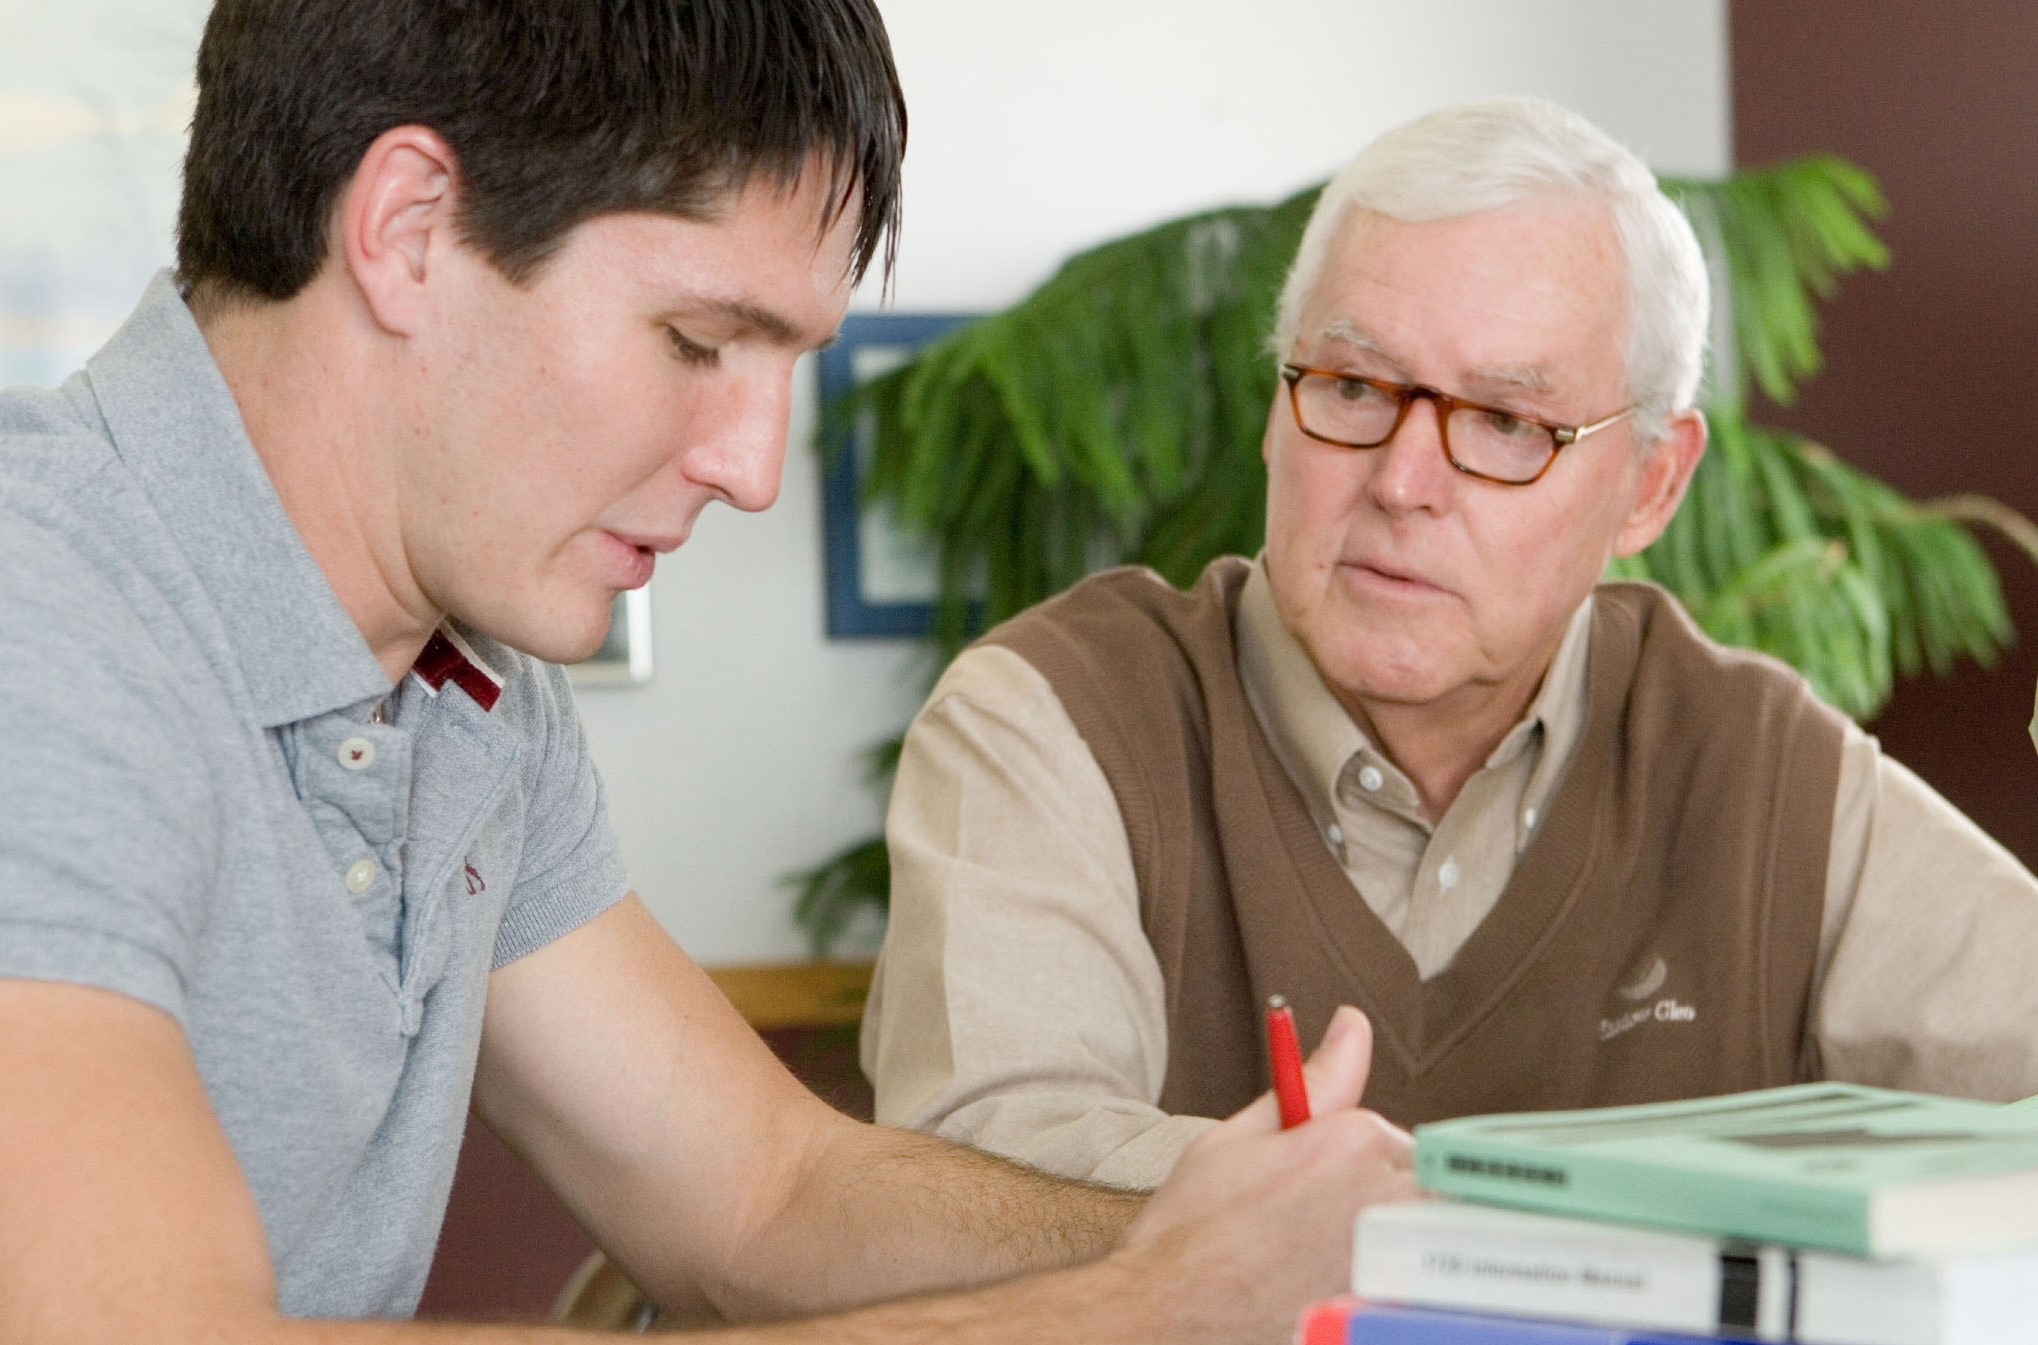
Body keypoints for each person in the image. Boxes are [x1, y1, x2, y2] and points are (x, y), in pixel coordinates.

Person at [0, 3, 1420, 1343]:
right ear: (408, 227)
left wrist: (1191, 1215)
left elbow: (756, 1189)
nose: (750, 462)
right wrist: (1129, 1315)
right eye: (699, 340)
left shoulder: (454, 684)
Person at [861, 96, 2038, 1191]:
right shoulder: (1055, 718)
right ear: (1278, 409)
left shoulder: (1761, 771)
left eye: (1507, 421)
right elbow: (978, 1191)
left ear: (1651, 486)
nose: (1404, 481)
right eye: (1356, 384)